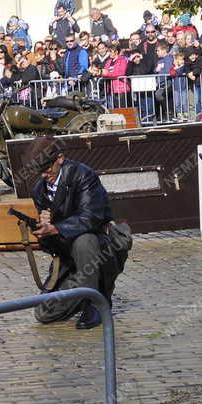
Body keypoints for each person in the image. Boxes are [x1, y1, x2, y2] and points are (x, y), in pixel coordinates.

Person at [26, 137, 123, 330]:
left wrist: (56, 226)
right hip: (70, 261)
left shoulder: (84, 176)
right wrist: (43, 232)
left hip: (100, 250)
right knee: (44, 312)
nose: (44, 175)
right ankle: (89, 292)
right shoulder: (39, 190)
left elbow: (90, 218)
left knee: (83, 240)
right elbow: (51, 248)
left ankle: (94, 303)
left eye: (47, 168)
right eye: (40, 171)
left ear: (59, 159)